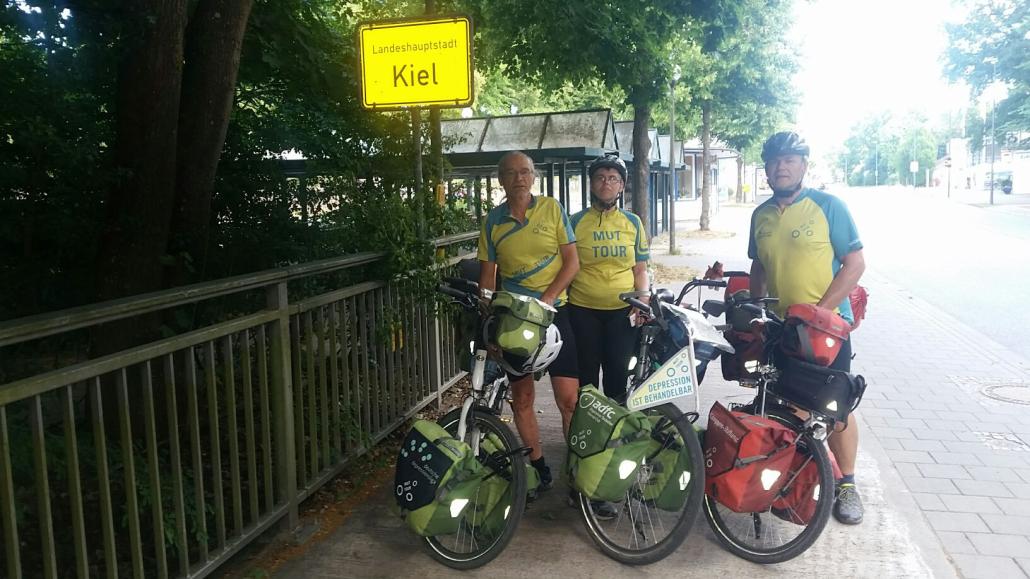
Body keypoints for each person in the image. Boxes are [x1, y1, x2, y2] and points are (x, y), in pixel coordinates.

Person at [747, 131, 867, 525]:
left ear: (803, 166)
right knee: (792, 404)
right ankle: (802, 473)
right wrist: (755, 308)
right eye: (775, 161)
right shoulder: (760, 215)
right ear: (766, 169)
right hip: (785, 328)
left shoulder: (828, 206)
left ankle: (846, 484)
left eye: (790, 160)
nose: (781, 167)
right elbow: (759, 266)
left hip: (829, 328)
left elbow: (855, 264)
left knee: (835, 407)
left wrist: (819, 312)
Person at [477, 151, 580, 493]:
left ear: (533, 177)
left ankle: (578, 472)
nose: (519, 178)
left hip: (555, 314)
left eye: (525, 172)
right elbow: (488, 278)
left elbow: (571, 263)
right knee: (521, 399)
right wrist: (488, 320)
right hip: (515, 320)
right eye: (511, 173)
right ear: (501, 180)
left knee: (569, 400)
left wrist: (547, 298)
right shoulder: (492, 222)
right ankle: (538, 469)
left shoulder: (551, 208)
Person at [568, 155, 650, 403]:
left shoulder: (633, 222)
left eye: (613, 178)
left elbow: (640, 269)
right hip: (583, 310)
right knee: (587, 377)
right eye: (600, 178)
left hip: (622, 311)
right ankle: (588, 435)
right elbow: (566, 265)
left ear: (622, 186)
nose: (606, 183)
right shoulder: (575, 221)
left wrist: (643, 299)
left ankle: (615, 433)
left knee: (617, 376)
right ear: (591, 184)